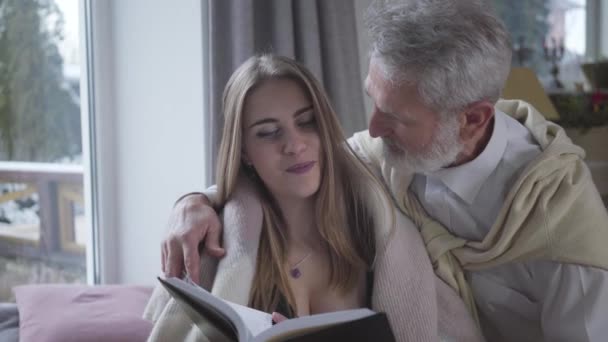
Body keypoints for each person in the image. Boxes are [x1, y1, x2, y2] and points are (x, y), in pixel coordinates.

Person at [161, 1, 608, 341]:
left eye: (395, 117)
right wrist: (195, 203)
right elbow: (288, 170)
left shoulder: (569, 238)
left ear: (471, 120)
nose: (371, 127)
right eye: (373, 100)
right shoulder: (387, 155)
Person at [144, 54, 482, 341]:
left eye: (306, 123)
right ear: (244, 150)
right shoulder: (218, 241)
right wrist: (190, 202)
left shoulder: (371, 224)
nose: (294, 144)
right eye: (269, 132)